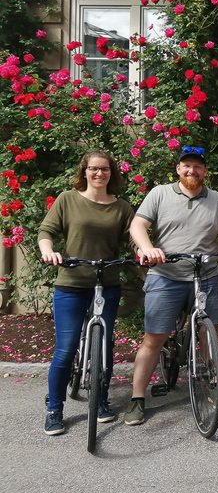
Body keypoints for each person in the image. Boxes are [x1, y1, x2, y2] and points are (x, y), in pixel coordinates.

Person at [125, 146, 218, 426]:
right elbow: (138, 225)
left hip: (206, 275)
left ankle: (211, 382)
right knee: (154, 339)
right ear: (178, 169)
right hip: (165, 275)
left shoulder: (216, 199)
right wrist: (148, 248)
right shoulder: (159, 193)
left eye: (197, 167)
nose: (191, 171)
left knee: (209, 333)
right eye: (186, 166)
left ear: (205, 171)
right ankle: (137, 398)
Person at [38, 150, 134, 435]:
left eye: (105, 169)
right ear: (85, 171)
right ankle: (55, 409)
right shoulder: (67, 199)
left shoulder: (121, 207)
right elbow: (47, 231)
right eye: (94, 169)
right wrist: (48, 251)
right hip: (71, 283)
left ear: (111, 173)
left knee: (104, 346)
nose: (99, 174)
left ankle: (101, 400)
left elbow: (133, 239)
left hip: (107, 284)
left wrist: (142, 252)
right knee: (66, 349)